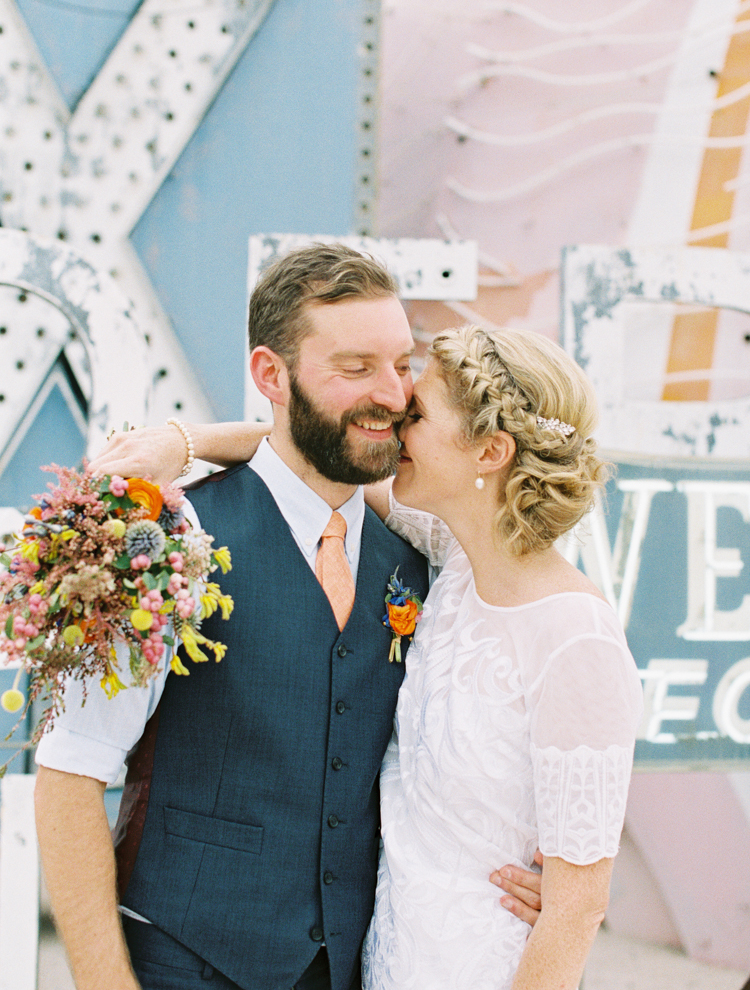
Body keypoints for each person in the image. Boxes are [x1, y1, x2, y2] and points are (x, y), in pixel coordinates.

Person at [34, 244, 541, 990]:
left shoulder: (421, 558)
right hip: (179, 964)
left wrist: (546, 867)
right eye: (355, 367)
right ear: (271, 375)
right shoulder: (167, 547)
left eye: (402, 364)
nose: (393, 393)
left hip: (354, 969)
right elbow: (70, 776)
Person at [94, 323, 643, 989]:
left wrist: (559, 903)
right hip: (387, 962)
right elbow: (306, 455)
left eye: (415, 414)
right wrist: (182, 443)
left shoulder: (574, 636)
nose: (390, 424)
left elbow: (577, 906)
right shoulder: (454, 559)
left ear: (491, 451)